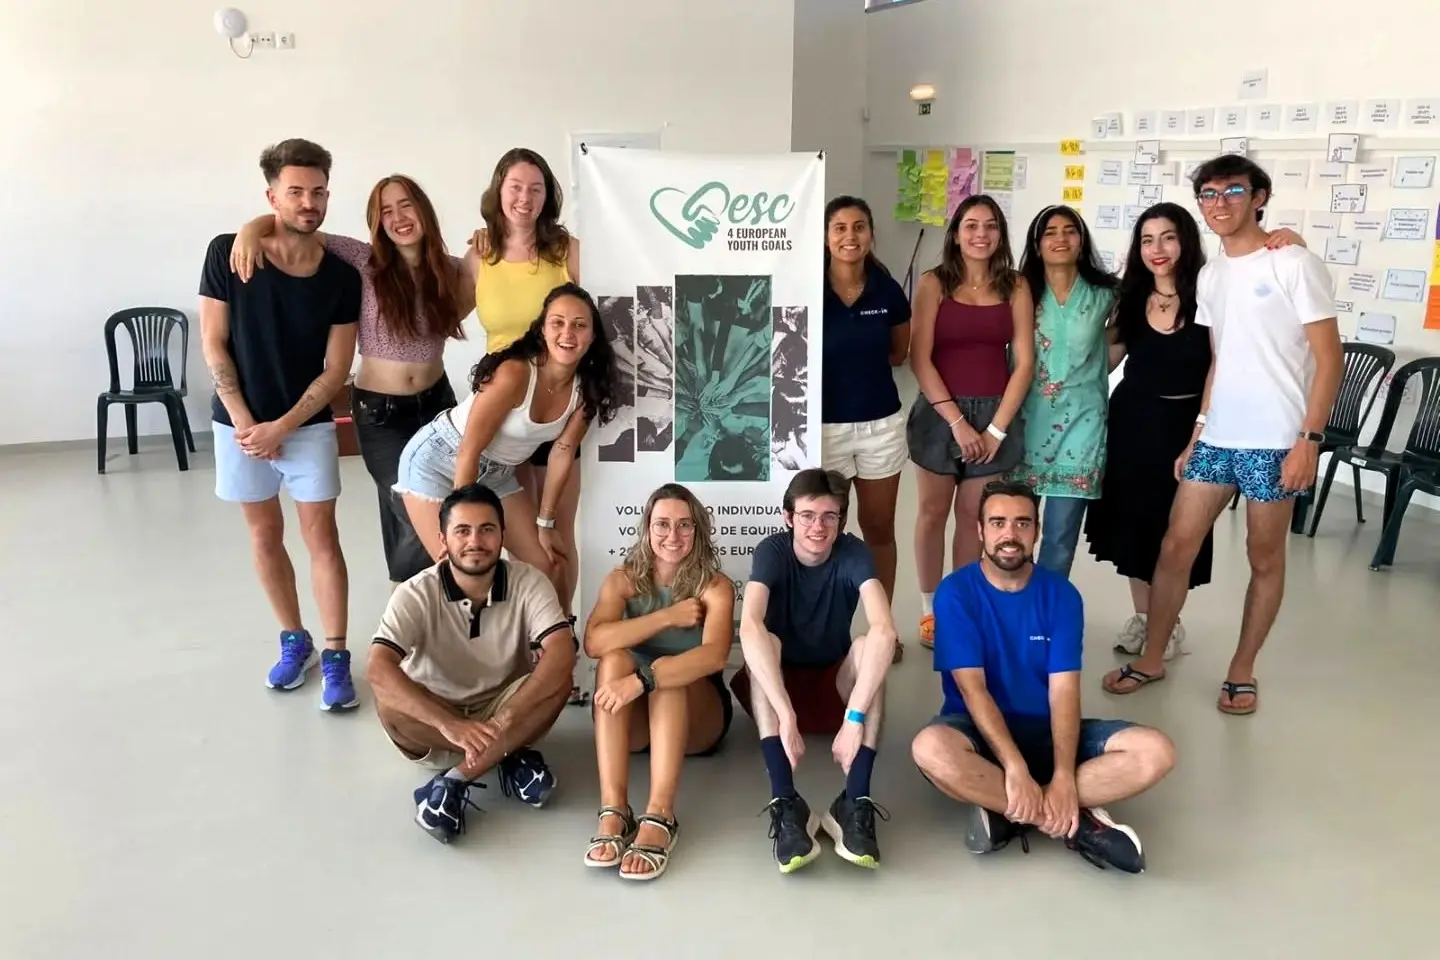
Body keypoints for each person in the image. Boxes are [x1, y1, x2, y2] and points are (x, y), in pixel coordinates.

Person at [1103, 155, 1342, 715]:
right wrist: (1199, 432)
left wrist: (1309, 439)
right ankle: (1153, 656)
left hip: (1276, 439)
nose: (1220, 203)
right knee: (1174, 547)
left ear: (1259, 196)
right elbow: (1219, 362)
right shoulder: (1211, 277)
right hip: (1218, 438)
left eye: (1232, 191)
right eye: (1208, 194)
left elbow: (1328, 361)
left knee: (1264, 558)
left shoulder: (1294, 263)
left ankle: (1241, 669)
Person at [911, 481, 1176, 874]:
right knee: (930, 750)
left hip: (1049, 732)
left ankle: (1008, 807)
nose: (1009, 535)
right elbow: (973, 690)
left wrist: (1066, 774)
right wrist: (1015, 767)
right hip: (978, 733)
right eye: (998, 523)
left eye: (1022, 524)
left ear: (1036, 531)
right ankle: (1074, 823)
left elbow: (1064, 692)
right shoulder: (956, 593)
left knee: (1157, 752)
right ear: (981, 530)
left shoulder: (1062, 595)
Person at [1083, 205, 1309, 658]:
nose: (1157, 250)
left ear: (1185, 240)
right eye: (1147, 240)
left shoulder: (1210, 290)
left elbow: (1230, 351)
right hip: (1132, 424)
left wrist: (1294, 241)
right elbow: (1104, 360)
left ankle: (1170, 624)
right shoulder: (1130, 299)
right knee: (1136, 525)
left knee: (1176, 533)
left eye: (1168, 237)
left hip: (1193, 426)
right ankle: (1145, 618)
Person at [228, 175, 473, 585]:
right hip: (382, 413)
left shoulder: (449, 272)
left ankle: (420, 602)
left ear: (424, 210)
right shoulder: (364, 262)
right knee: (415, 508)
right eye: (386, 212)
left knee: (443, 505)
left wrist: (483, 240)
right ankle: (441, 600)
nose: (398, 218)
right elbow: (299, 226)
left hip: (437, 405)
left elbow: (492, 267)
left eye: (406, 205)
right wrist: (251, 229)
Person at [198, 138, 361, 710]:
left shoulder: (342, 276)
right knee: (265, 535)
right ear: (272, 196)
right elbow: (214, 344)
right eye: (295, 192)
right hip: (237, 424)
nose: (308, 202)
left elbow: (337, 368)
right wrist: (247, 422)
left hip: (307, 426)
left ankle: (337, 656)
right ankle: (296, 640)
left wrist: (283, 426)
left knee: (323, 538)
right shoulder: (228, 253)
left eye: (317, 192)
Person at [366, 482, 577, 844]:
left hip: (504, 707)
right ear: (443, 539)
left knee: (558, 676)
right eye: (462, 531)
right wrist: (451, 726)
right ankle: (507, 754)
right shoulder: (415, 592)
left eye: (487, 529)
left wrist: (507, 717)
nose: (475, 541)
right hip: (437, 718)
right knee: (389, 701)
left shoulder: (529, 581)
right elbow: (377, 667)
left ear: (503, 535)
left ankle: (454, 781)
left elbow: (560, 650)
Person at [393, 282, 617, 604]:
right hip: (441, 458)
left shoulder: (587, 390)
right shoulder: (514, 373)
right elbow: (468, 451)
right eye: (558, 323)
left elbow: (562, 452)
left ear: (592, 337)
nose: (568, 333)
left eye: (579, 325)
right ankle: (470, 652)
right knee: (463, 571)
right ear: (542, 330)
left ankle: (544, 645)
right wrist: (464, 524)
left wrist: (546, 522)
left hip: (497, 472)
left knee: (545, 564)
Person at [732, 469, 899, 873]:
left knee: (869, 647)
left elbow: (884, 629)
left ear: (841, 520)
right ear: (788, 517)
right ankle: (786, 802)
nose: (818, 526)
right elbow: (749, 625)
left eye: (830, 516)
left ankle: (854, 801)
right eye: (807, 515)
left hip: (834, 691)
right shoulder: (771, 551)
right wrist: (786, 714)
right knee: (762, 643)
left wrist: (855, 719)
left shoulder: (853, 552)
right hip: (778, 692)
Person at [582, 484, 735, 880]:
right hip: (635, 722)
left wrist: (645, 679)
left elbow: (714, 656)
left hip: (699, 720)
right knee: (614, 659)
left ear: (698, 530)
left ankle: (660, 815)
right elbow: (595, 643)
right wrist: (667, 617)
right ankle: (614, 809)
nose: (673, 536)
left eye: (685, 526)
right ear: (647, 528)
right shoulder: (622, 580)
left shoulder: (714, 586)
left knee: (669, 672)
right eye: (663, 524)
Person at [908, 195, 1035, 648]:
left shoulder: (1015, 286)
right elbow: (918, 359)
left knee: (971, 516)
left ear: (1000, 234)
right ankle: (929, 609)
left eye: (990, 226)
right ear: (956, 234)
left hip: (995, 415)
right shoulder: (933, 284)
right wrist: (958, 423)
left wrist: (996, 429)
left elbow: (1024, 363)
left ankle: (958, 607)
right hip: (941, 412)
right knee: (931, 513)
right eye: (971, 226)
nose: (981, 234)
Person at [468, 148, 585, 616]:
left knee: (556, 532)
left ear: (548, 197)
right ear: (499, 190)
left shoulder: (566, 251)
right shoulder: (480, 255)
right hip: (504, 412)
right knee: (520, 538)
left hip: (557, 406)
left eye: (536, 189)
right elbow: (440, 313)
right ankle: (534, 634)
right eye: (516, 187)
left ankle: (564, 636)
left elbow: (598, 317)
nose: (525, 198)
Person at [819, 196, 911, 662]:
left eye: (858, 227)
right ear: (826, 236)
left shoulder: (887, 290)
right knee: (826, 532)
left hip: (880, 425)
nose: (849, 237)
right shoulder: (808, 286)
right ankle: (829, 633)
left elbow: (899, 353)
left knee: (878, 529)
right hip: (824, 429)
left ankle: (882, 630)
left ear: (871, 235)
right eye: (839, 228)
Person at [1011, 205, 1118, 577]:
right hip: (1022, 423)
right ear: (1037, 244)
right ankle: (1011, 612)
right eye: (1050, 232)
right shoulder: (1017, 290)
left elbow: (1117, 343)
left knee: (1059, 536)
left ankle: (1046, 618)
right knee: (1013, 532)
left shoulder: (1107, 294)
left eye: (1069, 230)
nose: (1060, 238)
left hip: (1082, 428)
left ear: (1082, 239)